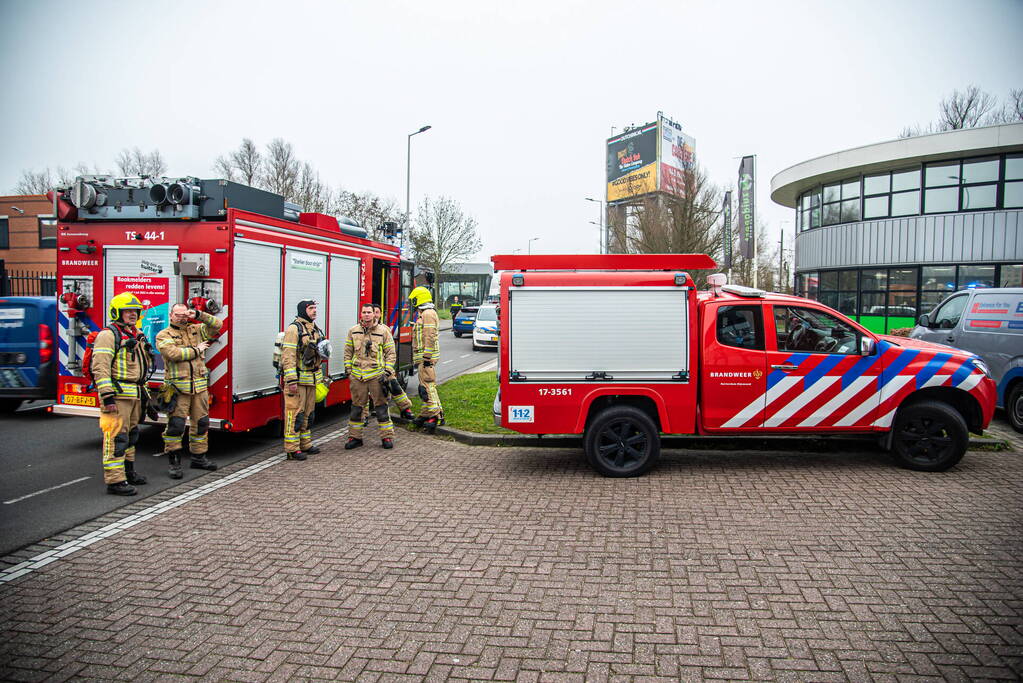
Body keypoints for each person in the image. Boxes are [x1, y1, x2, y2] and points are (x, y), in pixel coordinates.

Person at [93, 292, 154, 496]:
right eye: (127, 311)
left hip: (133, 394)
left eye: (135, 311)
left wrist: (146, 397)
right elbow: (100, 368)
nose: (132, 314)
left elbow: (139, 370)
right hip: (118, 397)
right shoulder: (108, 335)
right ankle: (115, 481)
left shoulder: (134, 334)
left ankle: (128, 472)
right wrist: (107, 396)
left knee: (131, 436)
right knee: (116, 438)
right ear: (116, 312)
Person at [155, 303, 222, 478]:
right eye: (178, 315)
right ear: (171, 316)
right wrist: (196, 350)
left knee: (201, 424)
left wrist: (199, 314)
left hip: (199, 388)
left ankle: (199, 457)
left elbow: (217, 325)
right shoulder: (164, 334)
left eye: (185, 314)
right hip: (178, 389)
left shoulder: (196, 330)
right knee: (176, 427)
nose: (182, 317)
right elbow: (173, 354)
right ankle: (174, 463)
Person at [343, 302, 397, 450]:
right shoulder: (353, 331)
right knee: (356, 408)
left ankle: (386, 437)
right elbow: (348, 352)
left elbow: (391, 354)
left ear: (374, 314)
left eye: (369, 312)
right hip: (357, 376)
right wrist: (349, 370)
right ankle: (355, 437)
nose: (366, 315)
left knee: (381, 408)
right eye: (364, 312)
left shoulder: (383, 331)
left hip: (376, 376)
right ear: (361, 314)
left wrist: (387, 372)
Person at [280, 300, 326, 460]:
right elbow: (289, 355)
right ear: (303, 310)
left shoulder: (315, 329)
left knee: (308, 414)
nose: (314, 311)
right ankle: (292, 448)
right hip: (298, 381)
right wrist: (291, 380)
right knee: (295, 414)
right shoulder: (294, 329)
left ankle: (305, 443)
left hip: (311, 381)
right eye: (311, 308)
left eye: (315, 308)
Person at [365, 303, 414, 422]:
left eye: (377, 312)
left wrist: (388, 368)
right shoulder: (362, 330)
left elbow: (390, 351)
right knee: (364, 393)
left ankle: (405, 409)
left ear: (381, 314)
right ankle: (365, 415)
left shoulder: (385, 330)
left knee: (395, 387)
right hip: (369, 368)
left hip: (384, 367)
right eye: (373, 312)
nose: (375, 315)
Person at [409, 286, 442, 433]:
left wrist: (427, 357)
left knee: (427, 386)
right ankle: (426, 413)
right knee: (424, 385)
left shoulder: (428, 313)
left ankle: (435, 416)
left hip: (426, 357)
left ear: (419, 298)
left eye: (414, 299)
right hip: (423, 357)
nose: (413, 302)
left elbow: (429, 335)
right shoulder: (426, 313)